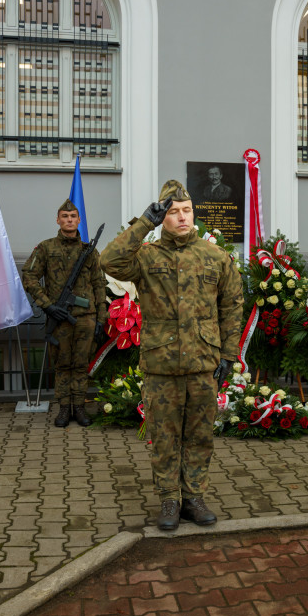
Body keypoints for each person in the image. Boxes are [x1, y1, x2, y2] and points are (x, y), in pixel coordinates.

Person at [101, 180, 243, 531]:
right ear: (163, 216)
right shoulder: (146, 257)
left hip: (202, 362)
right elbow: (109, 260)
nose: (182, 217)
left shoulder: (214, 256)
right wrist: (144, 223)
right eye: (173, 211)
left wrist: (229, 353)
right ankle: (169, 498)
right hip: (161, 363)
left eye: (187, 210)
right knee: (163, 435)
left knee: (199, 434)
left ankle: (193, 496)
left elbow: (232, 304)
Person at [23, 199, 109, 428]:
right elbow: (28, 277)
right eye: (65, 216)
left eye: (73, 217)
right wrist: (47, 305)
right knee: (62, 365)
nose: (69, 220)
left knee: (81, 364)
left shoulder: (89, 251)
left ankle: (79, 408)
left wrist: (102, 317)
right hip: (59, 317)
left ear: (79, 220)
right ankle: (63, 409)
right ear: (58, 220)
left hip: (86, 317)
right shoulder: (46, 247)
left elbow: (99, 284)